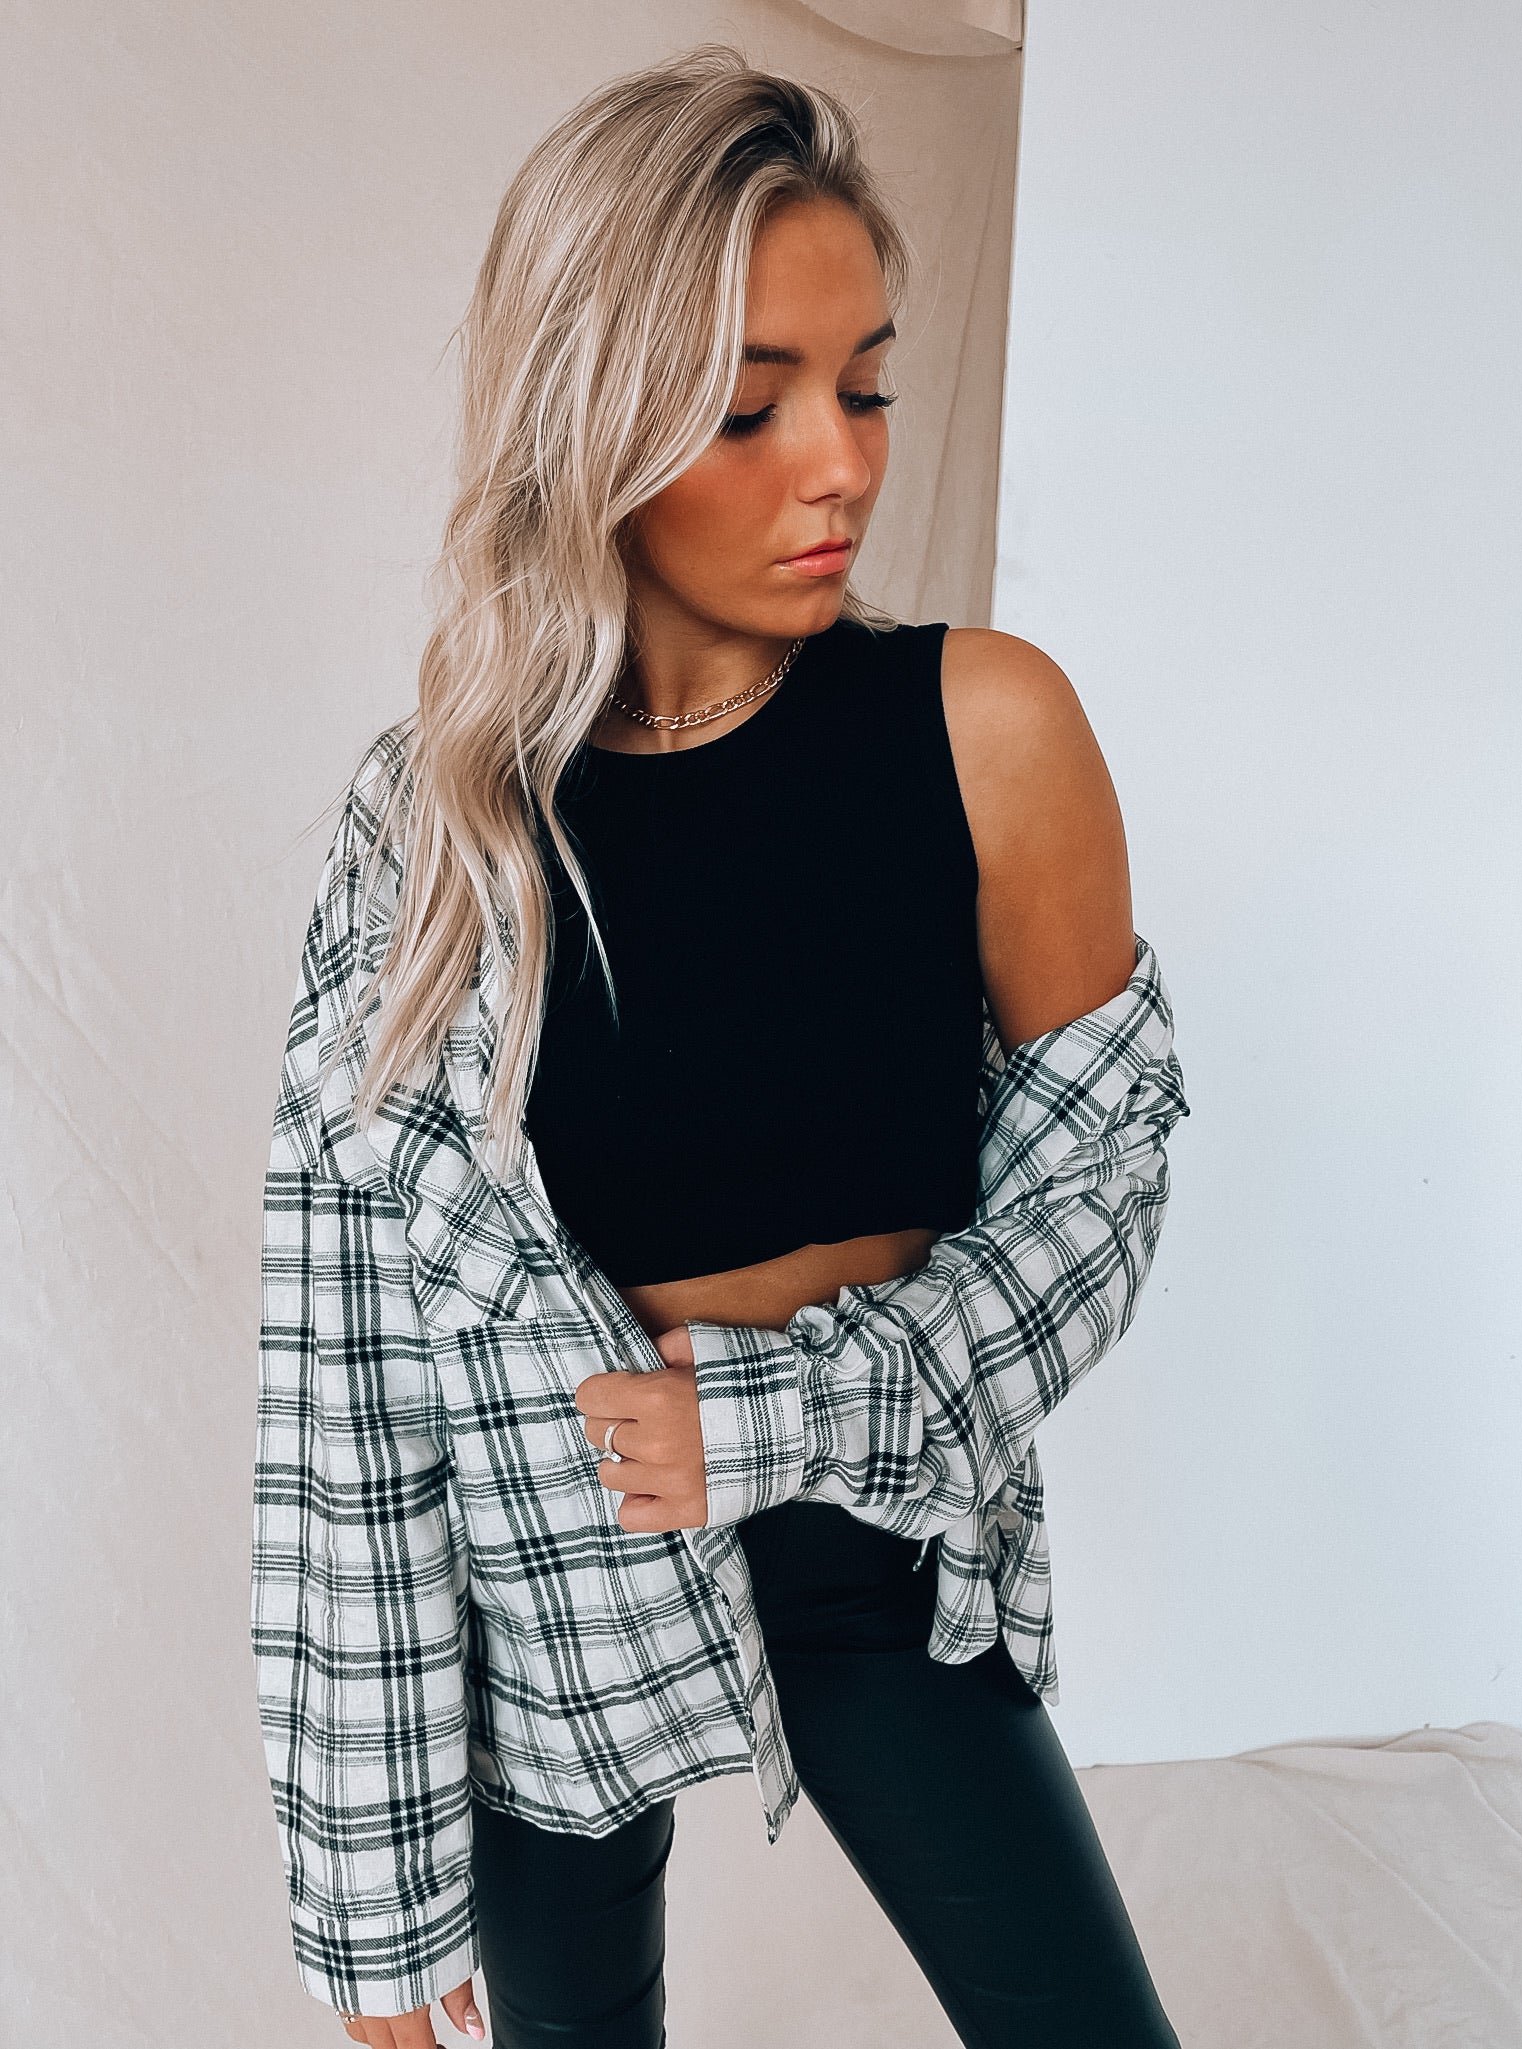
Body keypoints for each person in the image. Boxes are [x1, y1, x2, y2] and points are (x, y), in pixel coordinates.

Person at [252, 44, 1191, 2049]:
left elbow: (1095, 1204)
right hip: (550, 1571)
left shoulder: (988, 729)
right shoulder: (433, 831)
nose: (840, 463)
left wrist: (770, 1416)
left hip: (879, 1525)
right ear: (590, 416)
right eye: (753, 406)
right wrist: (368, 1899)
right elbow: (350, 1382)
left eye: (867, 386)